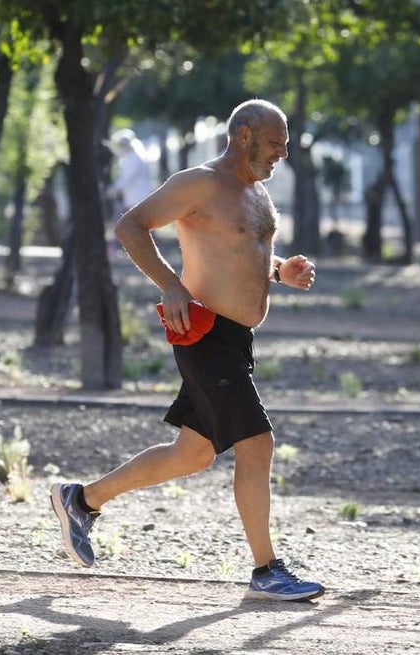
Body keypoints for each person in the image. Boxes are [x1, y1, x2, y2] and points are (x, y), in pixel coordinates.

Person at [50, 99, 325, 602]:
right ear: (244, 135)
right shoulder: (199, 183)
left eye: (285, 144)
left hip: (235, 341)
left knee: (193, 454)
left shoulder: (255, 192)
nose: (283, 153)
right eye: (275, 142)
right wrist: (171, 286)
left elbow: (242, 255)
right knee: (257, 444)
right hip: (203, 334)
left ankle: (81, 500)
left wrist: (280, 270)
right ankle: (266, 570)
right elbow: (130, 225)